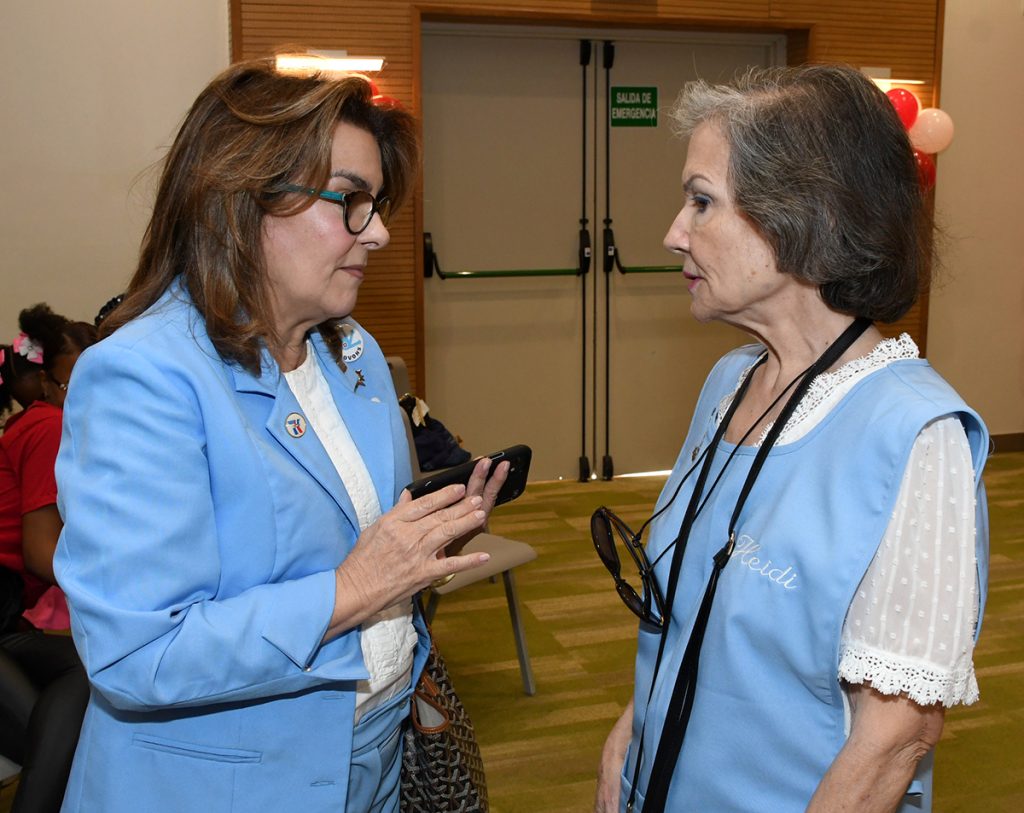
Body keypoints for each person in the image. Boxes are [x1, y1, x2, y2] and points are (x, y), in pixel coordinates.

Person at [53, 58, 507, 813]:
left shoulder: (352, 351)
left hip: (372, 757)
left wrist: (425, 543)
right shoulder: (141, 376)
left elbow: (351, 545)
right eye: (352, 202)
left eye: (379, 202)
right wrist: (357, 586)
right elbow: (138, 655)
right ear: (241, 199)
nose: (383, 233)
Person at [594, 64, 989, 813]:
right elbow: (701, 612)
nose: (674, 232)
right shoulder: (729, 383)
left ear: (799, 215)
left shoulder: (915, 435)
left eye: (701, 201)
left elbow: (893, 740)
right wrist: (631, 729)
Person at [1, 304, 94, 813]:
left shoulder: (29, 423)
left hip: (9, 611)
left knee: (77, 694)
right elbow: (40, 553)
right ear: (46, 384)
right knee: (62, 745)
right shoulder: (48, 428)